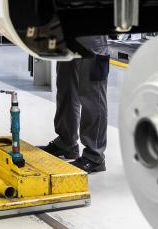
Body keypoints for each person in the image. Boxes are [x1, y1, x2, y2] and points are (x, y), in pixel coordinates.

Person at [38, 35, 110, 173]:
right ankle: (66, 142)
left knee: (93, 95)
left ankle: (94, 155)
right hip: (66, 34)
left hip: (92, 35)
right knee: (65, 89)